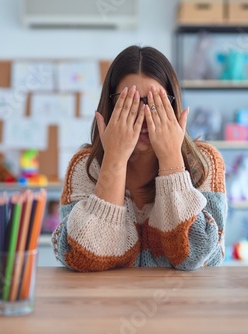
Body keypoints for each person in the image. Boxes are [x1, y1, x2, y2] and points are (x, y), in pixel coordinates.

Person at [51, 45, 227, 272]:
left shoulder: (202, 162)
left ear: (172, 106)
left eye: (155, 104)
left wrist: (171, 158)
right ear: (111, 106)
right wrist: (114, 160)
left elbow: (195, 257)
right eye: (130, 103)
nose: (144, 116)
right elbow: (83, 259)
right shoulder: (86, 166)